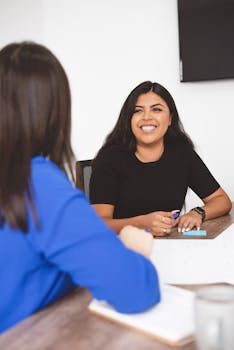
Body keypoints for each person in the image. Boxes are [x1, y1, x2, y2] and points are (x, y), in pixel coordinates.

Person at [0, 43, 160, 333]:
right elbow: (135, 290)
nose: (148, 118)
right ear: (55, 111)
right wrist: (133, 252)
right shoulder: (38, 183)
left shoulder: (181, 152)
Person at [90, 81, 232, 235]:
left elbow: (222, 200)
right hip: (122, 250)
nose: (146, 117)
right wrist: (142, 223)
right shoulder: (110, 158)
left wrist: (198, 212)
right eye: (137, 111)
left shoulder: (181, 152)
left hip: (170, 248)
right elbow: (98, 224)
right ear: (129, 119)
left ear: (170, 118)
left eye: (156, 109)